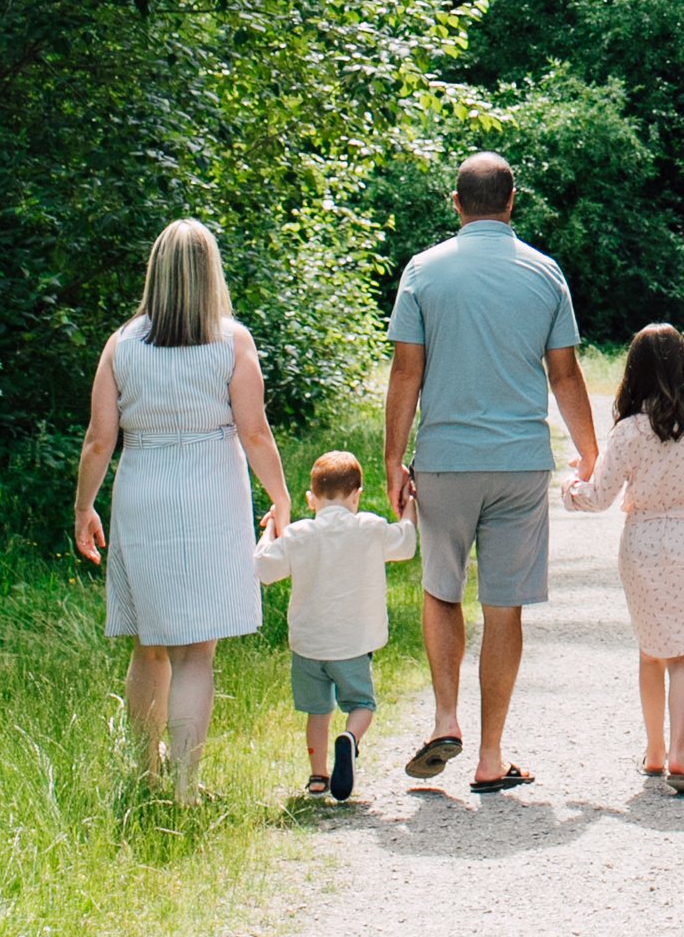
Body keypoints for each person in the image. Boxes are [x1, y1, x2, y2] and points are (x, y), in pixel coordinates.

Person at [383, 151, 598, 793]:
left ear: (456, 203)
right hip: (519, 463)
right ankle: (489, 756)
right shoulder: (544, 272)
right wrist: (591, 452)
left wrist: (393, 459)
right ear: (511, 201)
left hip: (446, 460)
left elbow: (405, 371)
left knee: (441, 587)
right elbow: (564, 373)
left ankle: (445, 715)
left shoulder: (424, 272)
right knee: (504, 607)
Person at [73, 218, 289, 800]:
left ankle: (143, 772)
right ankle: (187, 787)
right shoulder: (231, 341)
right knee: (197, 652)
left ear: (155, 273)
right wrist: (281, 495)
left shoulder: (122, 345)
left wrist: (83, 509)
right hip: (211, 495)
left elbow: (99, 439)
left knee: (149, 643)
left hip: (144, 491)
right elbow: (255, 431)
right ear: (210, 274)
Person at [562, 322, 684, 795]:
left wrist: (570, 491)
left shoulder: (628, 432)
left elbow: (600, 495)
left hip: (642, 544)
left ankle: (652, 752)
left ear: (634, 372)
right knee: (683, 652)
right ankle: (680, 757)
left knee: (651, 651)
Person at [254, 447, 418, 803]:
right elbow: (406, 545)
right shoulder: (370, 529)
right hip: (354, 644)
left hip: (309, 646)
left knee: (317, 710)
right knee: (361, 704)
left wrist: (270, 532)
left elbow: (264, 569)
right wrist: (410, 510)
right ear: (357, 496)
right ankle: (350, 739)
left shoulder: (299, 534)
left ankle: (317, 777)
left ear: (311, 499)